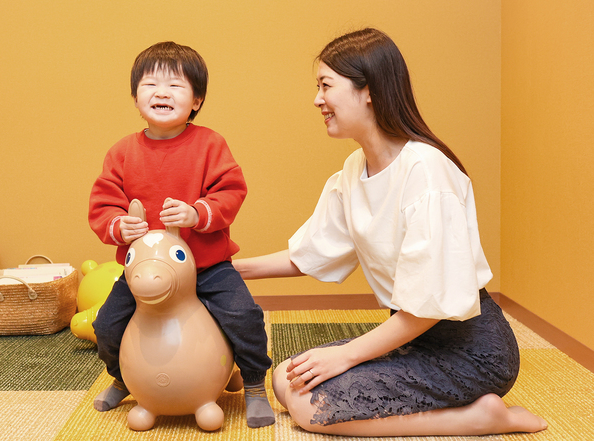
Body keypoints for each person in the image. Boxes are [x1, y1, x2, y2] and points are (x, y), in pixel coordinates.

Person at [233, 28, 548, 436]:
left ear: (368, 90)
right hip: (409, 338)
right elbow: (309, 253)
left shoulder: (426, 171)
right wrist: (225, 269)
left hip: (470, 352)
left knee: (312, 411)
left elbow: (428, 307)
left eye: (326, 85)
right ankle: (468, 412)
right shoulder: (352, 171)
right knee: (285, 378)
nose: (317, 100)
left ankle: (482, 418)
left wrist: (346, 356)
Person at [88, 41, 274, 429]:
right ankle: (124, 377)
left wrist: (197, 212)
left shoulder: (210, 144)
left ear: (197, 100)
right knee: (105, 324)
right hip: (145, 275)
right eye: (150, 84)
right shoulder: (121, 153)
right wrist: (120, 225)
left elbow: (231, 191)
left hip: (207, 266)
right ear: (135, 96)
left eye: (175, 85)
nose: (161, 92)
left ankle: (254, 382)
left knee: (243, 314)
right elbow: (103, 205)